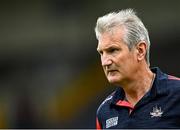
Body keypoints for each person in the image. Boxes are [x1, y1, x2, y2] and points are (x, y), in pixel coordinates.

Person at [94, 8, 180, 129]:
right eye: (101, 53)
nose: (105, 62)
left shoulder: (177, 94)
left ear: (140, 51)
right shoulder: (104, 112)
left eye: (113, 50)